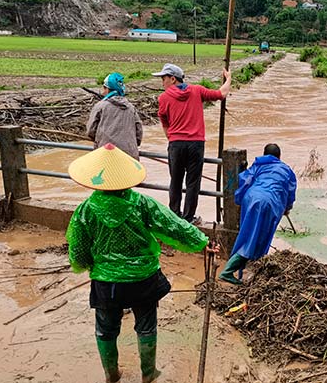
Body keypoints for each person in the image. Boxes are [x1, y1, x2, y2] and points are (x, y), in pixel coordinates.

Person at [65, 143, 215, 383]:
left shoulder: (85, 211)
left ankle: (111, 374)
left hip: (106, 281)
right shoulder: (142, 203)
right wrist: (201, 242)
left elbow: (79, 251)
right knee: (146, 326)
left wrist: (90, 266)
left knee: (105, 329)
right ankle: (148, 374)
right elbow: (174, 225)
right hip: (143, 279)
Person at [155, 63, 232, 224]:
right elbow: (222, 93)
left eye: (163, 78)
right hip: (196, 144)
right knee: (193, 183)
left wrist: (172, 140)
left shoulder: (164, 98)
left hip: (176, 143)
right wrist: (228, 78)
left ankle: (174, 216)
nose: (162, 82)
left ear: (173, 79)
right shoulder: (197, 90)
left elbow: (165, 124)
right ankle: (188, 218)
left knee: (175, 181)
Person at [219, 143, 297, 284]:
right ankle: (228, 271)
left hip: (251, 198)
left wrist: (239, 199)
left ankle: (249, 270)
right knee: (258, 239)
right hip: (269, 202)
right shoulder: (286, 170)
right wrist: (287, 207)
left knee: (248, 234)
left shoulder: (258, 165)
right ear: (279, 156)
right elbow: (290, 191)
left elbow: (245, 180)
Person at [86, 72, 143, 160]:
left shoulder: (100, 106)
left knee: (108, 173)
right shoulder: (131, 108)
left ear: (108, 89)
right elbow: (139, 132)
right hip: (129, 156)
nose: (103, 91)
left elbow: (90, 131)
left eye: (104, 88)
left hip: (106, 154)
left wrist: (100, 141)